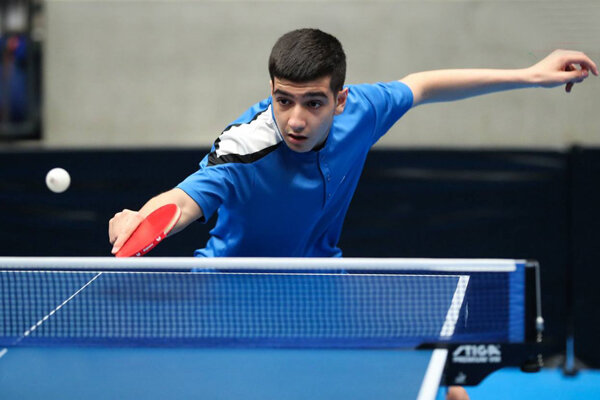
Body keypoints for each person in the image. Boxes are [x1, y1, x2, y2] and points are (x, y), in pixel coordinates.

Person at [109, 29, 596, 400]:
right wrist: (141, 218)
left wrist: (531, 74)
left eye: (313, 103)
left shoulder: (363, 110)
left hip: (319, 289)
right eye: (283, 100)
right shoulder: (244, 148)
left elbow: (423, 85)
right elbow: (182, 201)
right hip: (230, 298)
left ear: (340, 101)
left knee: (444, 389)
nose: (295, 119)